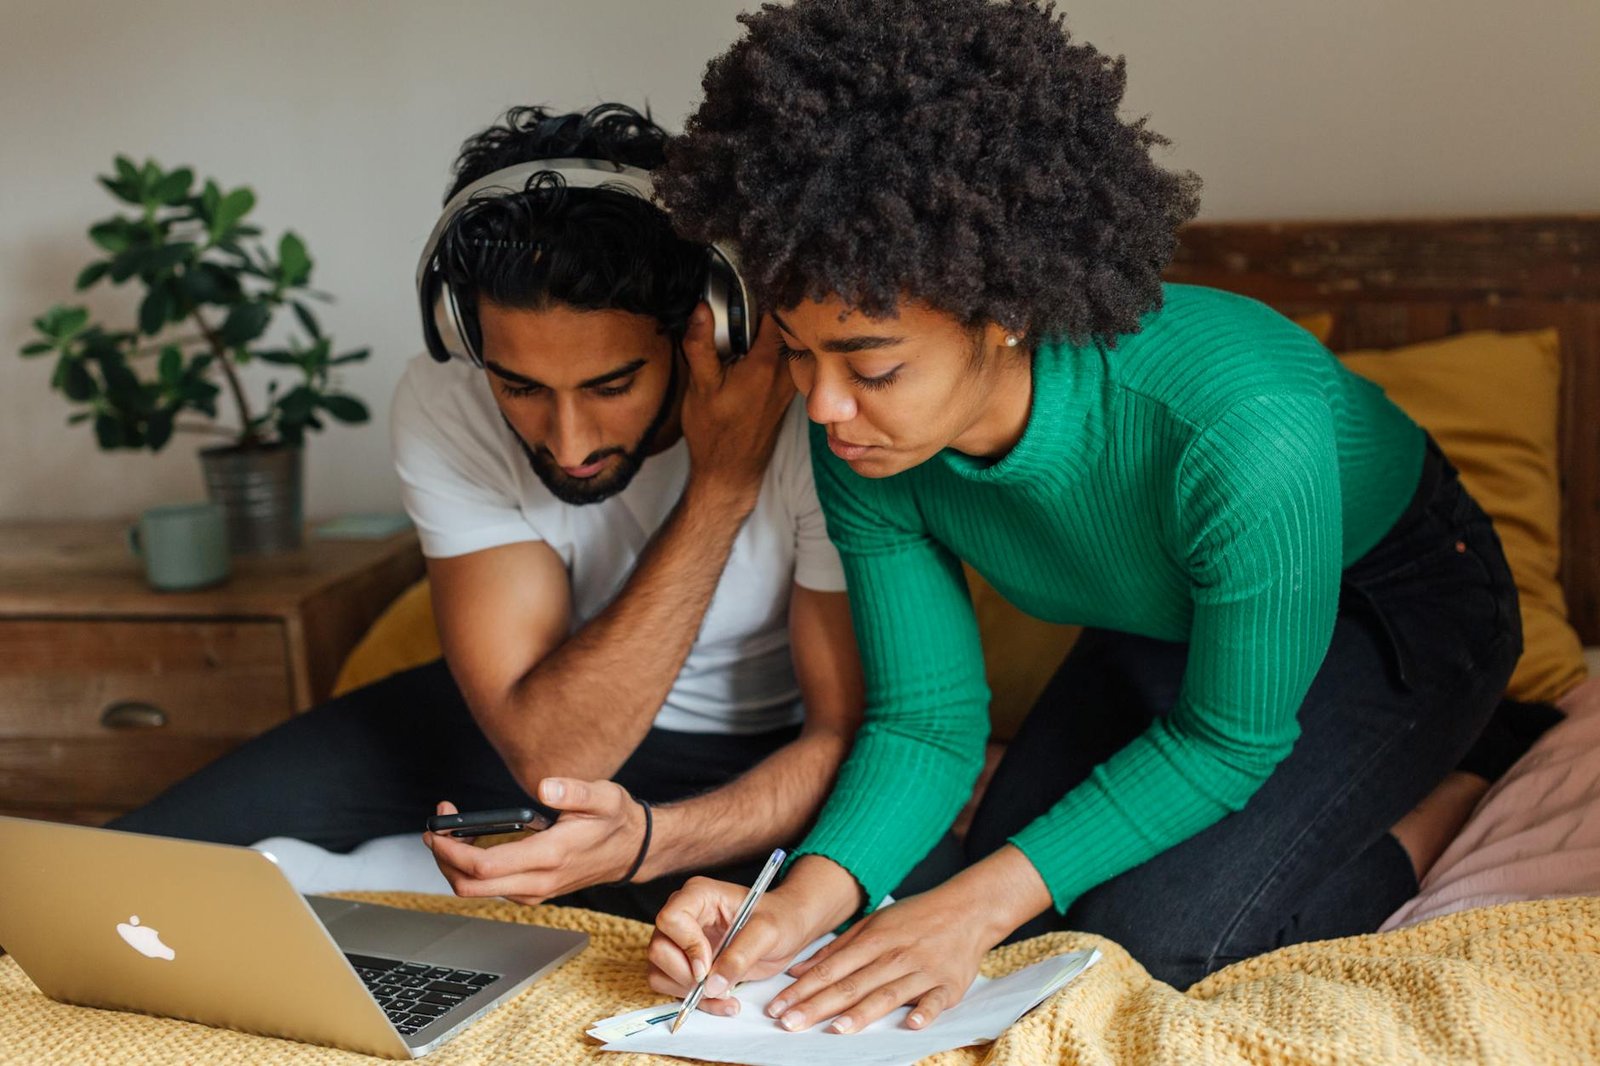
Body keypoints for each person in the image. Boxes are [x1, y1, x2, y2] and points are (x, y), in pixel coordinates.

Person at [644, 0, 1529, 1028]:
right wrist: (794, 907)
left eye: (870, 364)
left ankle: (1445, 794)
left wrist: (968, 906)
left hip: (1389, 600)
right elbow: (925, 724)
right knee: (1025, 930)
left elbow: (1229, 740)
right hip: (1166, 612)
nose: (822, 402)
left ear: (1007, 313)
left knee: (1160, 940)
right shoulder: (862, 437)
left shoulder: (1240, 427)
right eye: (798, 350)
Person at [110, 103, 870, 921]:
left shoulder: (805, 411)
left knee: (876, 897)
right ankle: (380, 868)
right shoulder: (445, 401)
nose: (569, 441)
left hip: (757, 758)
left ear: (705, 327)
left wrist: (655, 837)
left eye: (611, 386)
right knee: (131, 870)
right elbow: (557, 750)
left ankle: (396, 874)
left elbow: (847, 737)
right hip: (522, 723)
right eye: (521, 387)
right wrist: (719, 489)